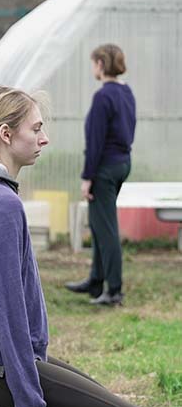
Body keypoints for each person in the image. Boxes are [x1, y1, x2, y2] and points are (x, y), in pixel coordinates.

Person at [0, 85, 150, 407]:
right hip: (2, 370)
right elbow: (7, 314)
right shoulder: (0, 205)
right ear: (6, 134)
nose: (44, 138)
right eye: (36, 129)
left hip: (11, 362)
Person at [65, 44, 136, 305]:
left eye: (94, 62)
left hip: (105, 168)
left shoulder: (103, 97)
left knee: (106, 229)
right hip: (122, 163)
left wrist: (88, 176)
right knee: (99, 223)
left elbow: (95, 141)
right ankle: (96, 280)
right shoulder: (126, 92)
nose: (93, 67)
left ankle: (114, 290)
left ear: (101, 65)